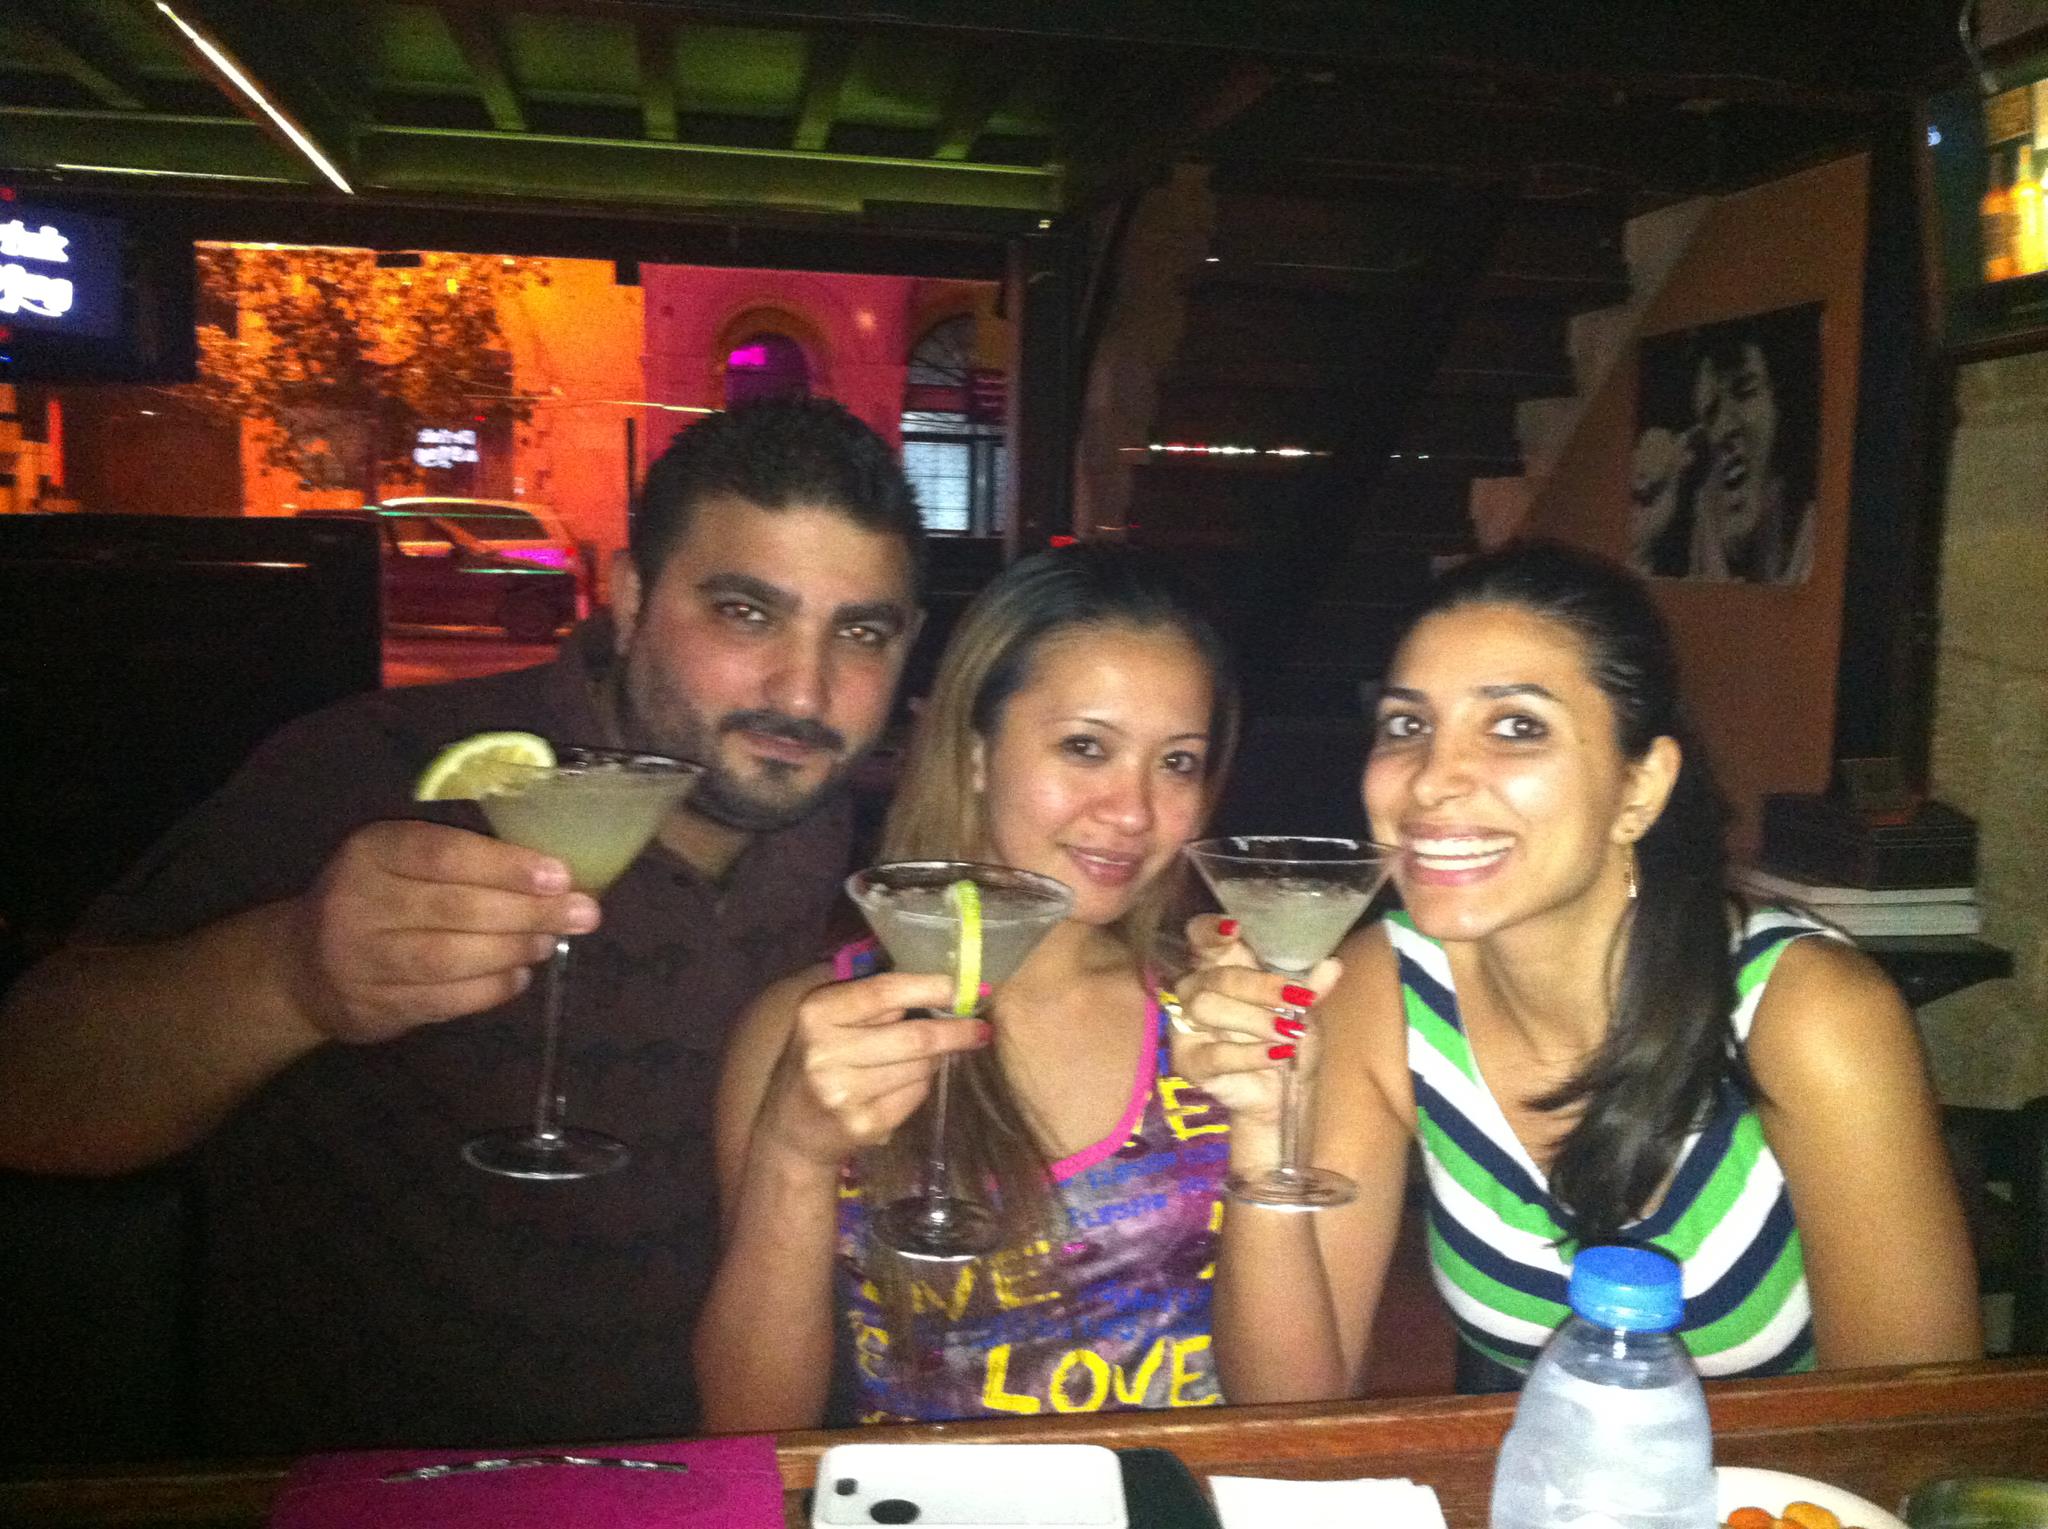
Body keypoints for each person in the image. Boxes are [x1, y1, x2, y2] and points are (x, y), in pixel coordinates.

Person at [0, 397, 927, 1453]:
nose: (803, 690)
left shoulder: (881, 857)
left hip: (730, 1474)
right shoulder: (378, 774)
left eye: (860, 632)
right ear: (630, 598)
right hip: (385, 1481)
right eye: (745, 612)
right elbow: (29, 1093)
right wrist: (290, 975)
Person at [1171, 540, 1980, 1401]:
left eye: (1517, 726)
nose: (1433, 780)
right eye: (1407, 725)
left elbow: (1913, 1429)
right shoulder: (1384, 990)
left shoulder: (1809, 1011)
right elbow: (1289, 1406)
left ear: (1640, 788)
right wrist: (1265, 1129)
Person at [695, 544, 1239, 1429]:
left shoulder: (1218, 1022)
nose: (1134, 811)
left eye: (1177, 762)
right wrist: (794, 1155)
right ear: (978, 752)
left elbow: (1305, 1401)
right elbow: (748, 1425)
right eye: (1086, 747)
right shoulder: (813, 1029)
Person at [1631, 327, 1816, 585]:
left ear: (1782, 403)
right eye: (1710, 413)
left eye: (1745, 392)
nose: (1722, 429)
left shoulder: (1819, 534)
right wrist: (1642, 546)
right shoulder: (1703, 525)